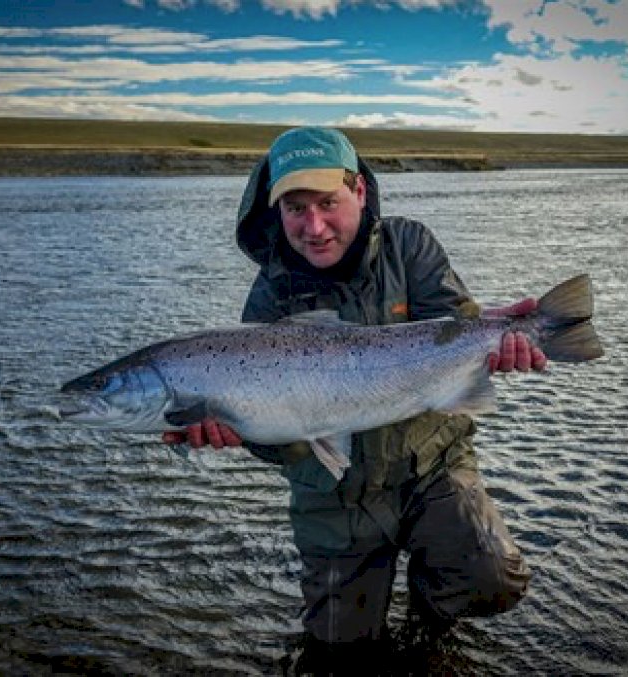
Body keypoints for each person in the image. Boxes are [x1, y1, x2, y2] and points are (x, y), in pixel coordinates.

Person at [163, 127, 545, 661]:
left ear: (360, 192)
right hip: (332, 495)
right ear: (275, 210)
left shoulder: (408, 245)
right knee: (341, 655)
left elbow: (456, 326)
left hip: (429, 466)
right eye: (296, 208)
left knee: (493, 579)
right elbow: (284, 447)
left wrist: (498, 337)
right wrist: (243, 430)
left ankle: (430, 620)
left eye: (327, 203)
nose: (314, 226)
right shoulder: (269, 299)